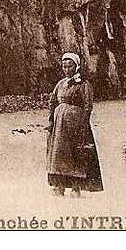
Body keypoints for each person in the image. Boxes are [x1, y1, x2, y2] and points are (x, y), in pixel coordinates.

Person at [46, 52, 103, 196]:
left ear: (76, 66)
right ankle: (59, 185)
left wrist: (83, 123)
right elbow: (52, 101)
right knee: (59, 154)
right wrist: (51, 120)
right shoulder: (61, 84)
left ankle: (76, 186)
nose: (66, 69)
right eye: (64, 66)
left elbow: (87, 105)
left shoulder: (83, 84)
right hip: (59, 126)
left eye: (69, 66)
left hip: (75, 124)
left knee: (75, 153)